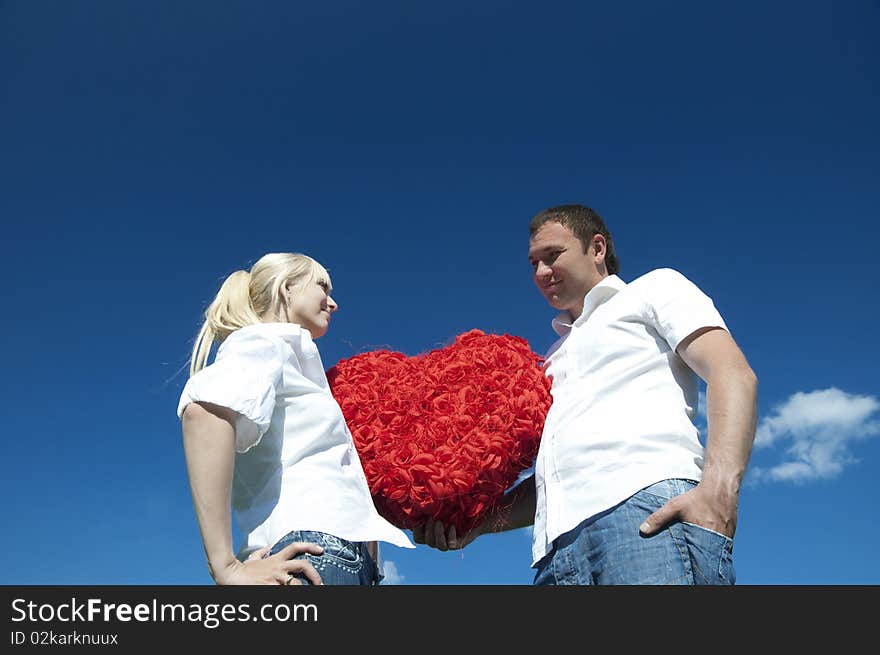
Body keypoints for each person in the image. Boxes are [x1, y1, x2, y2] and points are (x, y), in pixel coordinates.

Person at [415, 204, 758, 585]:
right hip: (555, 554)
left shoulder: (655, 289)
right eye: (533, 264)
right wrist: (477, 523)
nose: (542, 273)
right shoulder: (549, 362)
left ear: (596, 249)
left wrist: (718, 492)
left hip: (645, 515)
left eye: (552, 255)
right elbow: (549, 482)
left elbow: (732, 373)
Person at [178, 252, 414, 585]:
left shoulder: (290, 355)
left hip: (334, 555)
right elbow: (203, 412)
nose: (333, 304)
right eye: (323, 287)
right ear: (287, 288)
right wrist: (225, 567)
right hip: (314, 551)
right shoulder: (265, 342)